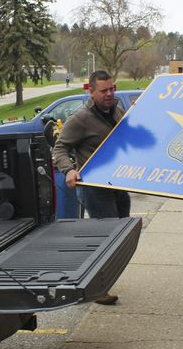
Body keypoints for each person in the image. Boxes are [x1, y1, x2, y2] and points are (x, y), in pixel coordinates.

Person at [53, 70, 130, 305]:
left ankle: (104, 279)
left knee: (120, 233)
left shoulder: (117, 110)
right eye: (104, 90)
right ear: (91, 92)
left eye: (112, 88)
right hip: (94, 188)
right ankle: (98, 289)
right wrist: (69, 170)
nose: (109, 94)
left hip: (118, 183)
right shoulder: (80, 118)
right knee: (105, 237)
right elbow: (60, 149)